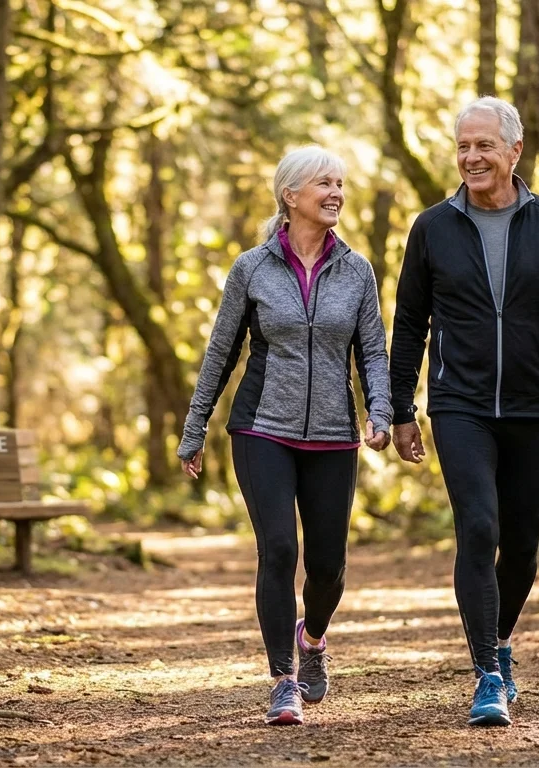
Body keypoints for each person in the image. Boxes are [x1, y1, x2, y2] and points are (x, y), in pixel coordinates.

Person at [387, 96, 539, 727]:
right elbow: (408, 323)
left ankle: (501, 640)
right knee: (479, 529)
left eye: (484, 145)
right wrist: (402, 407)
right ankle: (487, 674)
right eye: (462, 147)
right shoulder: (432, 227)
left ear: (515, 149)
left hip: (533, 406)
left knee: (525, 549)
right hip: (461, 404)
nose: (472, 157)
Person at [178, 146, 393, 726]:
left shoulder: (357, 270)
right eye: (324, 183)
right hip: (260, 429)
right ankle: (283, 681)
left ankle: (314, 638)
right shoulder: (251, 268)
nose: (336, 194)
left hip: (333, 435)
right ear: (290, 195)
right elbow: (221, 352)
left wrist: (381, 408)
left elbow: (372, 349)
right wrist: (194, 426)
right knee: (278, 550)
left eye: (341, 184)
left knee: (328, 567)